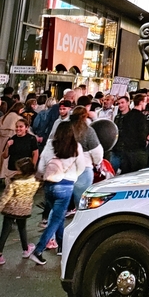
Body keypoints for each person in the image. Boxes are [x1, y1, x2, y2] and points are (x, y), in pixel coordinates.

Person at [32, 122, 87, 263]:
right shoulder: (76, 147)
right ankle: (38, 250)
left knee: (59, 217)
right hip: (66, 186)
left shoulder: (50, 144)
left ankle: (61, 246)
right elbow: (81, 167)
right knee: (56, 219)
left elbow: (41, 166)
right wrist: (72, 176)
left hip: (49, 185)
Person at [0, 158, 40, 263]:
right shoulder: (34, 181)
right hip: (24, 210)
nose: (16, 171)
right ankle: (26, 249)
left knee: (5, 231)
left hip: (10, 210)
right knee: (22, 228)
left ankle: (0, 253)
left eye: (18, 169)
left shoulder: (15, 183)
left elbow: (5, 197)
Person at [69, 106, 103, 210]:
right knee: (83, 202)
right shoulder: (88, 131)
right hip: (84, 168)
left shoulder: (66, 129)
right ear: (85, 117)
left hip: (67, 167)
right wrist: (97, 163)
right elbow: (97, 152)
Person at [116, 93, 149, 173]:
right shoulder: (141, 117)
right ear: (141, 102)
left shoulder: (126, 116)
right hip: (138, 152)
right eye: (145, 102)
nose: (146, 104)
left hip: (126, 152)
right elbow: (142, 134)